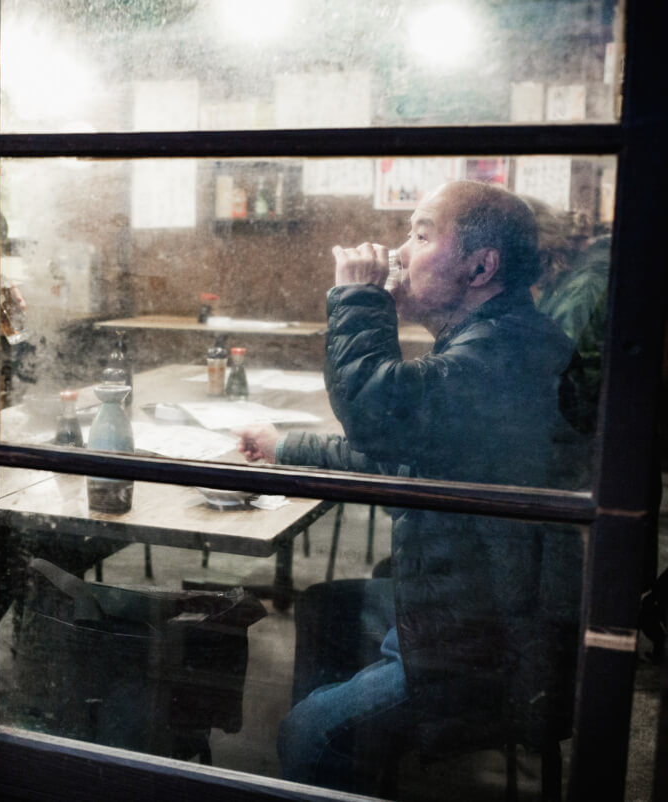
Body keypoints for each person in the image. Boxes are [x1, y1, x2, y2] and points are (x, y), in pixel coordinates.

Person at [236, 180, 580, 793]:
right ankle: (359, 760)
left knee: (309, 733)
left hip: (491, 640)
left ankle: (334, 746)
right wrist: (284, 446)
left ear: (481, 266)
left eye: (420, 235)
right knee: (327, 610)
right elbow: (399, 449)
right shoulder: (501, 338)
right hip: (468, 602)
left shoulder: (500, 355)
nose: (397, 251)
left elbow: (375, 410)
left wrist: (357, 296)